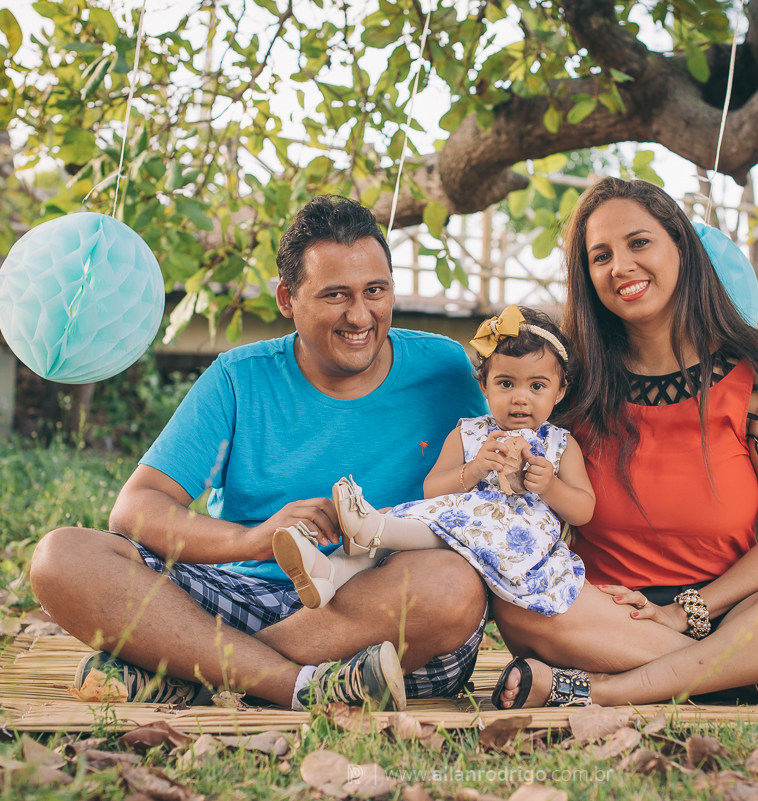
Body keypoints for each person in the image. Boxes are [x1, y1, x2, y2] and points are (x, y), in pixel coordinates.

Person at [30, 195, 490, 712]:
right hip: (243, 600)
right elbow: (136, 509)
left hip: (382, 616)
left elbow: (495, 488)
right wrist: (253, 539)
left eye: (375, 291)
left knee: (453, 585)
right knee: (61, 558)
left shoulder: (444, 368)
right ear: (287, 299)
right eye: (335, 295)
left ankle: (198, 672)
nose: (361, 315)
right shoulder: (238, 378)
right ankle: (295, 684)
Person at [491, 178, 758, 709]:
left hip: (732, 609)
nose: (620, 267)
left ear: (681, 247)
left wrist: (685, 611)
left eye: (639, 242)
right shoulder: (570, 379)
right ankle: (750, 678)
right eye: (601, 256)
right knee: (516, 600)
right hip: (610, 617)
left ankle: (604, 690)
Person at [273, 305, 595, 618]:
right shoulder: (468, 433)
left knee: (397, 527)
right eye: (506, 383)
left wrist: (550, 486)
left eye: (537, 386)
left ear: (560, 391)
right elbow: (432, 491)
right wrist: (474, 469)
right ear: (483, 385)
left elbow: (583, 510)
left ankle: (373, 528)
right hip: (453, 532)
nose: (520, 397)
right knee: (402, 521)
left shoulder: (560, 444)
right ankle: (329, 573)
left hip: (517, 544)